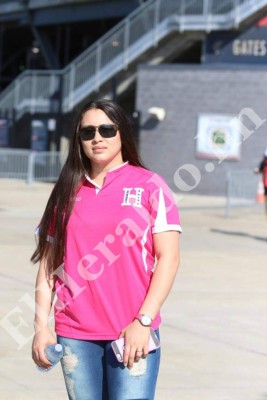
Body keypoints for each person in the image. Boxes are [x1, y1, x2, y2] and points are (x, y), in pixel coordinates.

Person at [31, 99, 182, 400]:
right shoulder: (64, 191)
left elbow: (169, 258)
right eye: (88, 132)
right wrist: (40, 327)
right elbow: (49, 267)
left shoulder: (151, 186)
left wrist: (144, 321)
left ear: (122, 133)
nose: (97, 137)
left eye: (106, 129)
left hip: (132, 332)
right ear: (79, 140)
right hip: (75, 335)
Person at [254, 149, 267, 216]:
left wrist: (257, 171)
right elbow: (259, 170)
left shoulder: (263, 163)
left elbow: (259, 170)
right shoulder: (263, 163)